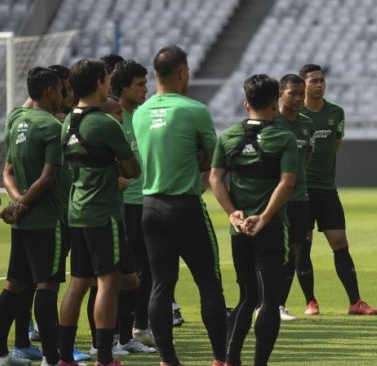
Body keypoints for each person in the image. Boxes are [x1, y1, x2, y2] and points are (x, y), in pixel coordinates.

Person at [133, 45, 228, 366]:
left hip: (149, 207)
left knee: (161, 284)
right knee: (209, 282)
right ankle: (220, 358)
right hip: (184, 206)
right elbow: (215, 159)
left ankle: (169, 360)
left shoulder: (141, 113)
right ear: (183, 73)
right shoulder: (194, 110)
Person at [210, 73, 297, 366]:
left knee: (247, 295)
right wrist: (263, 217)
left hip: (239, 231)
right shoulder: (283, 138)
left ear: (246, 103)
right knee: (269, 300)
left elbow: (215, 178)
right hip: (270, 229)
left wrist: (233, 213)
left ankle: (231, 360)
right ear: (275, 104)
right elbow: (287, 182)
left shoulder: (229, 136)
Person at [58, 58, 140, 366]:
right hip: (103, 211)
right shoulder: (104, 123)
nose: (109, 83)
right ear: (97, 84)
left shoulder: (68, 121)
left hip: (76, 210)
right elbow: (132, 169)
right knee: (108, 282)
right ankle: (105, 357)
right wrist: (118, 166)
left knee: (78, 282)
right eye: (106, 79)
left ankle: (64, 356)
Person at [297, 64, 377, 316]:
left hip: (326, 188)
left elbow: (334, 145)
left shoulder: (335, 113)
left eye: (322, 80)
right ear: (304, 85)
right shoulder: (296, 115)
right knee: (304, 244)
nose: (319, 85)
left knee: (340, 242)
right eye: (314, 81)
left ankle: (355, 302)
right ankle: (311, 301)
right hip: (301, 190)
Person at [0, 67, 66, 366]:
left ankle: (1, 355)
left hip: (23, 223)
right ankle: (52, 359)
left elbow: (7, 172)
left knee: (14, 285)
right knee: (47, 287)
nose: (64, 96)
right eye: (61, 90)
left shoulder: (15, 122)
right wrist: (24, 205)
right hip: (47, 221)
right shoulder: (53, 126)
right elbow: (48, 177)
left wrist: (16, 204)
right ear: (51, 91)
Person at [109, 59, 158, 349]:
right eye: (140, 84)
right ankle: (113, 334)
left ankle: (134, 331)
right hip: (122, 204)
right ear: (124, 87)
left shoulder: (140, 115)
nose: (145, 89)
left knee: (145, 270)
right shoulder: (112, 115)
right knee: (118, 272)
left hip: (144, 199)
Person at [274, 74, 315, 321]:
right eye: (293, 94)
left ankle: (279, 304)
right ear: (281, 93)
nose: (299, 98)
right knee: (275, 250)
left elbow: (306, 157)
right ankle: (264, 302)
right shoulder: (272, 123)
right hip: (276, 197)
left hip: (300, 196)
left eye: (302, 94)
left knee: (295, 250)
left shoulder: (307, 125)